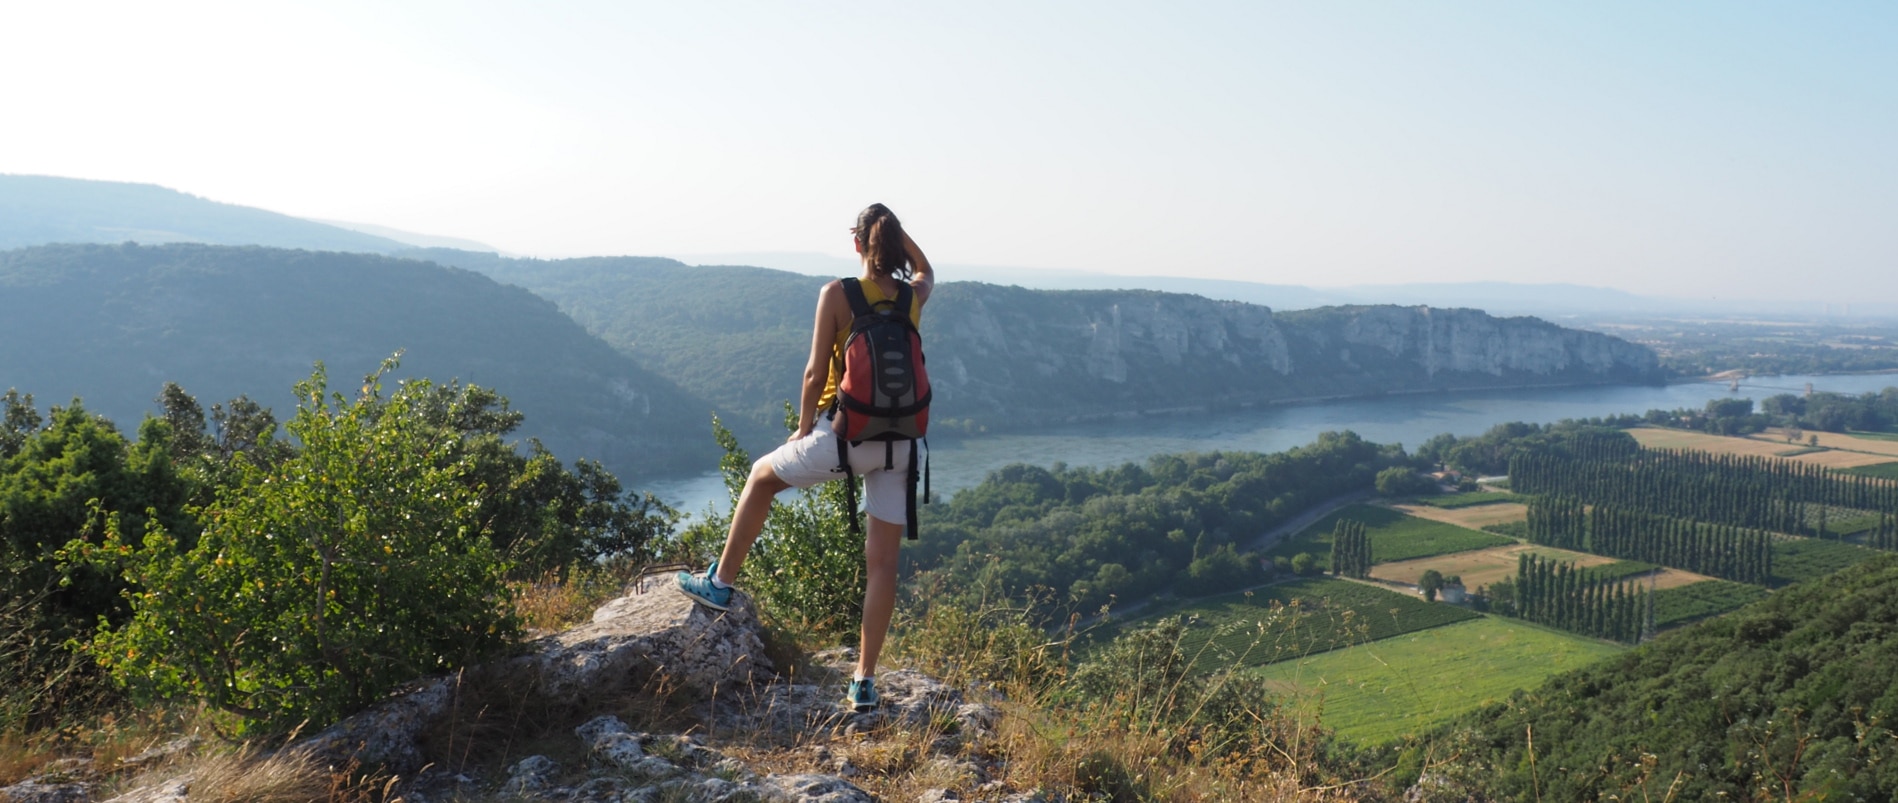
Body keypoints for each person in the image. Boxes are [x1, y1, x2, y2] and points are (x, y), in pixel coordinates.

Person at [676, 202, 933, 713]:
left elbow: (816, 373)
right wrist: (899, 241)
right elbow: (927, 270)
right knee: (882, 564)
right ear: (896, 243)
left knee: (760, 477)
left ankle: (720, 585)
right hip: (901, 445)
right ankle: (863, 681)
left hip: (842, 437)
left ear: (857, 244)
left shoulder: (838, 293)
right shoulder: (911, 296)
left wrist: (799, 430)